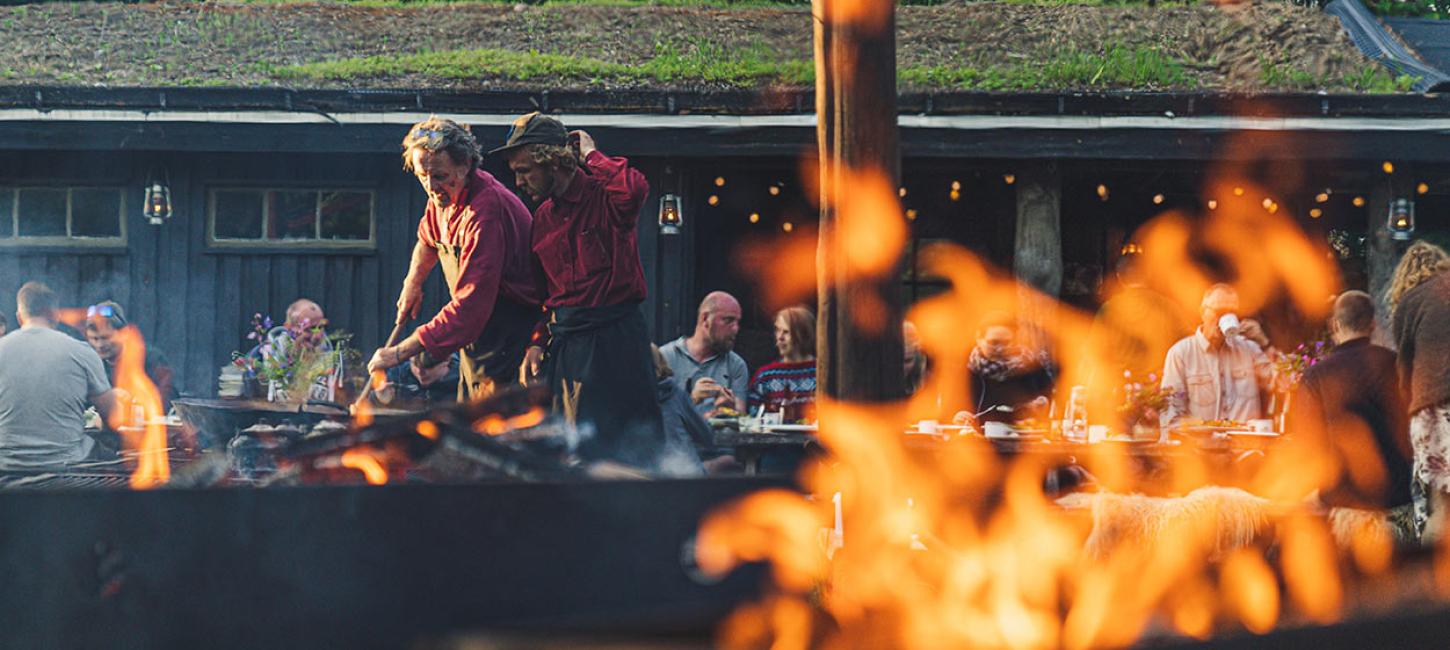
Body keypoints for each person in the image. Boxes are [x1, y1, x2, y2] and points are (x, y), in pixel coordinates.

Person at [498, 111, 665, 467]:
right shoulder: (542, 218)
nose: (518, 182)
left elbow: (634, 188)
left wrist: (590, 154)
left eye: (525, 170)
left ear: (552, 161)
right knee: (573, 452)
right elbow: (547, 297)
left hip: (615, 342)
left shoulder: (605, 199)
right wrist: (536, 342)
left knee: (628, 453)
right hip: (569, 348)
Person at [368, 117, 542, 402]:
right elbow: (427, 239)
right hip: (479, 337)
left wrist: (399, 353)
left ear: (465, 166)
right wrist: (412, 283)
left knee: (496, 431)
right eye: (422, 176)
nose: (430, 185)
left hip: (511, 333)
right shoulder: (443, 197)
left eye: (438, 175)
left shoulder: (486, 212)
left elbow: (471, 306)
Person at [1287, 291, 1414, 539]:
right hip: (1400, 502)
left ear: (1335, 324)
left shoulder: (1316, 377)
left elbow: (1306, 448)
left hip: (1343, 507)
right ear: (1372, 325)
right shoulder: (1396, 365)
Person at [0, 282, 119, 470]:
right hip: (68, 469)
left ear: (19, 317)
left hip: (6, 470)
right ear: (56, 315)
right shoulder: (82, 352)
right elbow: (113, 417)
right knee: (120, 460)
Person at [1389, 241, 1450, 539]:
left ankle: (1434, 571)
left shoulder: (1409, 302)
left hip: (1431, 407)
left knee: (1432, 498)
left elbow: (1404, 368)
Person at [1160, 284, 1276, 430]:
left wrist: (1265, 344)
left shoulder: (1249, 350)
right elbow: (1170, 416)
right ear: (1203, 312)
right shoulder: (1181, 354)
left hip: (1246, 449)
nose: (1226, 318)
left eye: (1232, 313)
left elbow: (1284, 384)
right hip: (1202, 449)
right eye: (1220, 311)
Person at [1085, 252, 1192, 381]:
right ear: (1148, 274)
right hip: (1158, 389)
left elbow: (1095, 351)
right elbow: (1189, 343)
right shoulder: (1166, 306)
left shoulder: (1109, 309)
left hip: (1120, 389)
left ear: (1119, 277)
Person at [659, 291, 749, 417]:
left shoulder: (735, 364)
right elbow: (652, 419)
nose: (735, 328)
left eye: (737, 322)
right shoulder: (665, 357)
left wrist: (731, 410)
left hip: (720, 437)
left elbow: (742, 419)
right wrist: (692, 400)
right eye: (728, 320)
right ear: (705, 319)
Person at [959, 313, 1053, 425]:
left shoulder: (1031, 367)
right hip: (974, 437)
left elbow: (1052, 400)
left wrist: (1043, 405)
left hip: (1022, 436)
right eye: (994, 343)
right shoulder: (963, 369)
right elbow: (946, 408)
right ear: (979, 339)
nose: (1000, 349)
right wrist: (958, 415)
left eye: (1006, 343)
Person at [83, 300, 177, 411]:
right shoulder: (90, 363)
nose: (99, 345)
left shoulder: (151, 358)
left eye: (105, 338)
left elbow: (169, 397)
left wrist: (132, 402)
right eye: (95, 339)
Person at [748, 305, 817, 422]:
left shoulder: (820, 372)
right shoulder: (766, 376)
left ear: (803, 334)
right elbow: (752, 416)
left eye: (786, 332)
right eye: (777, 330)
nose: (779, 337)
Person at [651, 345, 708, 477]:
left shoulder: (625, 399)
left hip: (648, 479)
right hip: (686, 474)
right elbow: (706, 437)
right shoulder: (676, 394)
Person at [374, 353, 460, 407]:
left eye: (428, 366)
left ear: (447, 361)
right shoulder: (398, 375)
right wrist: (378, 398)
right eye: (415, 364)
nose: (419, 372)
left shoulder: (462, 380)